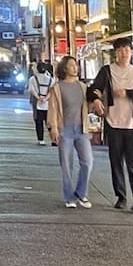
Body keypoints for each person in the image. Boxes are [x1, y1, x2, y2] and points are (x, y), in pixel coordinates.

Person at [87, 37, 133, 212]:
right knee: (116, 162)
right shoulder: (107, 71)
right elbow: (93, 89)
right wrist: (96, 99)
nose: (124, 53)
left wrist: (128, 92)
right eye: (120, 50)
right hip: (113, 123)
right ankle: (121, 196)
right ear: (115, 53)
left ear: (131, 52)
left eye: (127, 49)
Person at [47, 55, 92, 208]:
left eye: (76, 65)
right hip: (64, 129)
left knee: (87, 162)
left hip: (82, 129)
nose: (75, 68)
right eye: (72, 65)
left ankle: (81, 193)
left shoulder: (83, 87)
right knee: (66, 165)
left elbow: (88, 106)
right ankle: (69, 196)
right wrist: (53, 127)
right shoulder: (57, 88)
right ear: (65, 68)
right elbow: (52, 109)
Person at [27, 62, 55, 145]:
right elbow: (52, 91)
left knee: (38, 121)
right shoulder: (51, 80)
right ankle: (53, 139)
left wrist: (39, 97)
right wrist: (46, 98)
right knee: (49, 121)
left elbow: (31, 90)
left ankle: (41, 139)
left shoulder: (33, 79)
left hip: (37, 102)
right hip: (48, 102)